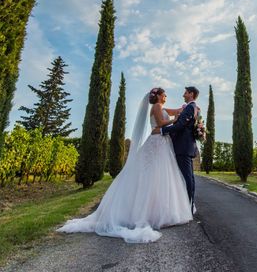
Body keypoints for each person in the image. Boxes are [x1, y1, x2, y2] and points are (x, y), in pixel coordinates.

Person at [56, 87, 192, 243]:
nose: (166, 96)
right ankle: (149, 213)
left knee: (160, 175)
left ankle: (158, 211)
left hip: (161, 143)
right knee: (153, 174)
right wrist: (175, 120)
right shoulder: (156, 107)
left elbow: (174, 111)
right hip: (156, 143)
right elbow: (161, 123)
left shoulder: (160, 107)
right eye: (164, 94)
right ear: (159, 96)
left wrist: (185, 108)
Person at [152, 86, 199, 213]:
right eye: (164, 95)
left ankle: (188, 205)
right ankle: (187, 204)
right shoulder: (189, 107)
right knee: (185, 177)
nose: (183, 95)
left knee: (187, 177)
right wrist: (179, 113)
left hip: (182, 146)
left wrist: (161, 130)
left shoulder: (190, 107)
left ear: (191, 94)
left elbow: (180, 125)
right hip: (181, 145)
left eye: (185, 93)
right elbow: (176, 117)